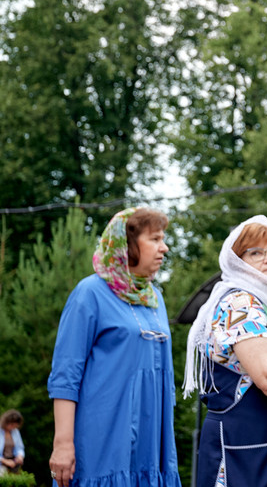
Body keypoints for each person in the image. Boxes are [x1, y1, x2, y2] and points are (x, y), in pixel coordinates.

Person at [48, 207, 180, 487]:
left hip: (151, 440)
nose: (164, 247)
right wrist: (63, 443)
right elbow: (66, 375)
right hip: (103, 439)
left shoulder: (154, 297)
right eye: (155, 239)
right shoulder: (89, 293)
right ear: (128, 244)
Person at [183, 216, 267, 487]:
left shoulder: (266, 305)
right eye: (256, 252)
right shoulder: (240, 303)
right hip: (242, 449)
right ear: (237, 262)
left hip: (263, 444)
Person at [0, 409, 25, 474]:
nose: (13, 427)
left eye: (15, 426)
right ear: (6, 422)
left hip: (13, 463)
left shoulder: (15, 432)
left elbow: (20, 448)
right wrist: (5, 461)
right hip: (2, 464)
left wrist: (20, 456)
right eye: (11, 425)